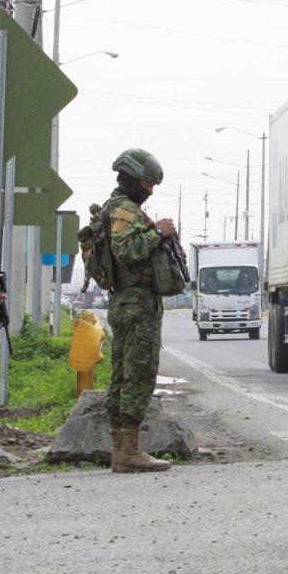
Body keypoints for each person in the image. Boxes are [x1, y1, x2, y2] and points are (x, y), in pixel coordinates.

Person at [102, 148, 178, 473]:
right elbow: (125, 250)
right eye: (147, 185)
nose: (150, 192)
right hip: (137, 303)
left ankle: (121, 451)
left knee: (123, 374)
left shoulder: (117, 207)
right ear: (132, 180)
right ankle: (129, 451)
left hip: (128, 301)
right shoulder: (124, 210)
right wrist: (158, 232)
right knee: (139, 374)